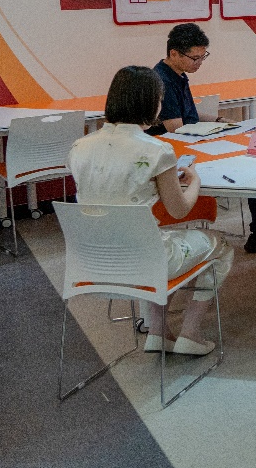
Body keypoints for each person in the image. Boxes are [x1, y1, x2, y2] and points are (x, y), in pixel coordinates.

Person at [69, 65, 233, 356]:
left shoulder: (79, 147)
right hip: (148, 260)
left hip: (94, 262)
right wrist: (194, 180)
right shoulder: (156, 150)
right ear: (151, 103)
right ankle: (190, 334)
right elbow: (179, 210)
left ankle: (159, 332)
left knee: (160, 235)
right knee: (221, 246)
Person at [148, 22, 256, 254]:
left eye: (203, 57)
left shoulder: (177, 75)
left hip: (190, 145)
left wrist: (220, 120)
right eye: (195, 58)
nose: (199, 63)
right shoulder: (163, 81)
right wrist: (214, 132)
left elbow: (190, 114)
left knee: (250, 158)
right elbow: (176, 129)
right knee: (247, 166)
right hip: (182, 152)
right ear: (174, 53)